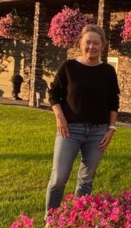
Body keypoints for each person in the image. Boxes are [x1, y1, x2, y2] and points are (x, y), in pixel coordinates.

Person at [45, 24, 120, 212]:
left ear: (102, 45)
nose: (91, 47)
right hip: (70, 130)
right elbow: (53, 94)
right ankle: (50, 220)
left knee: (86, 180)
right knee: (59, 177)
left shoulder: (108, 72)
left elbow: (113, 102)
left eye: (96, 43)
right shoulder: (69, 67)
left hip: (98, 132)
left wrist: (111, 129)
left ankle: (78, 220)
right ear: (80, 43)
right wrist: (60, 118)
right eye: (88, 42)